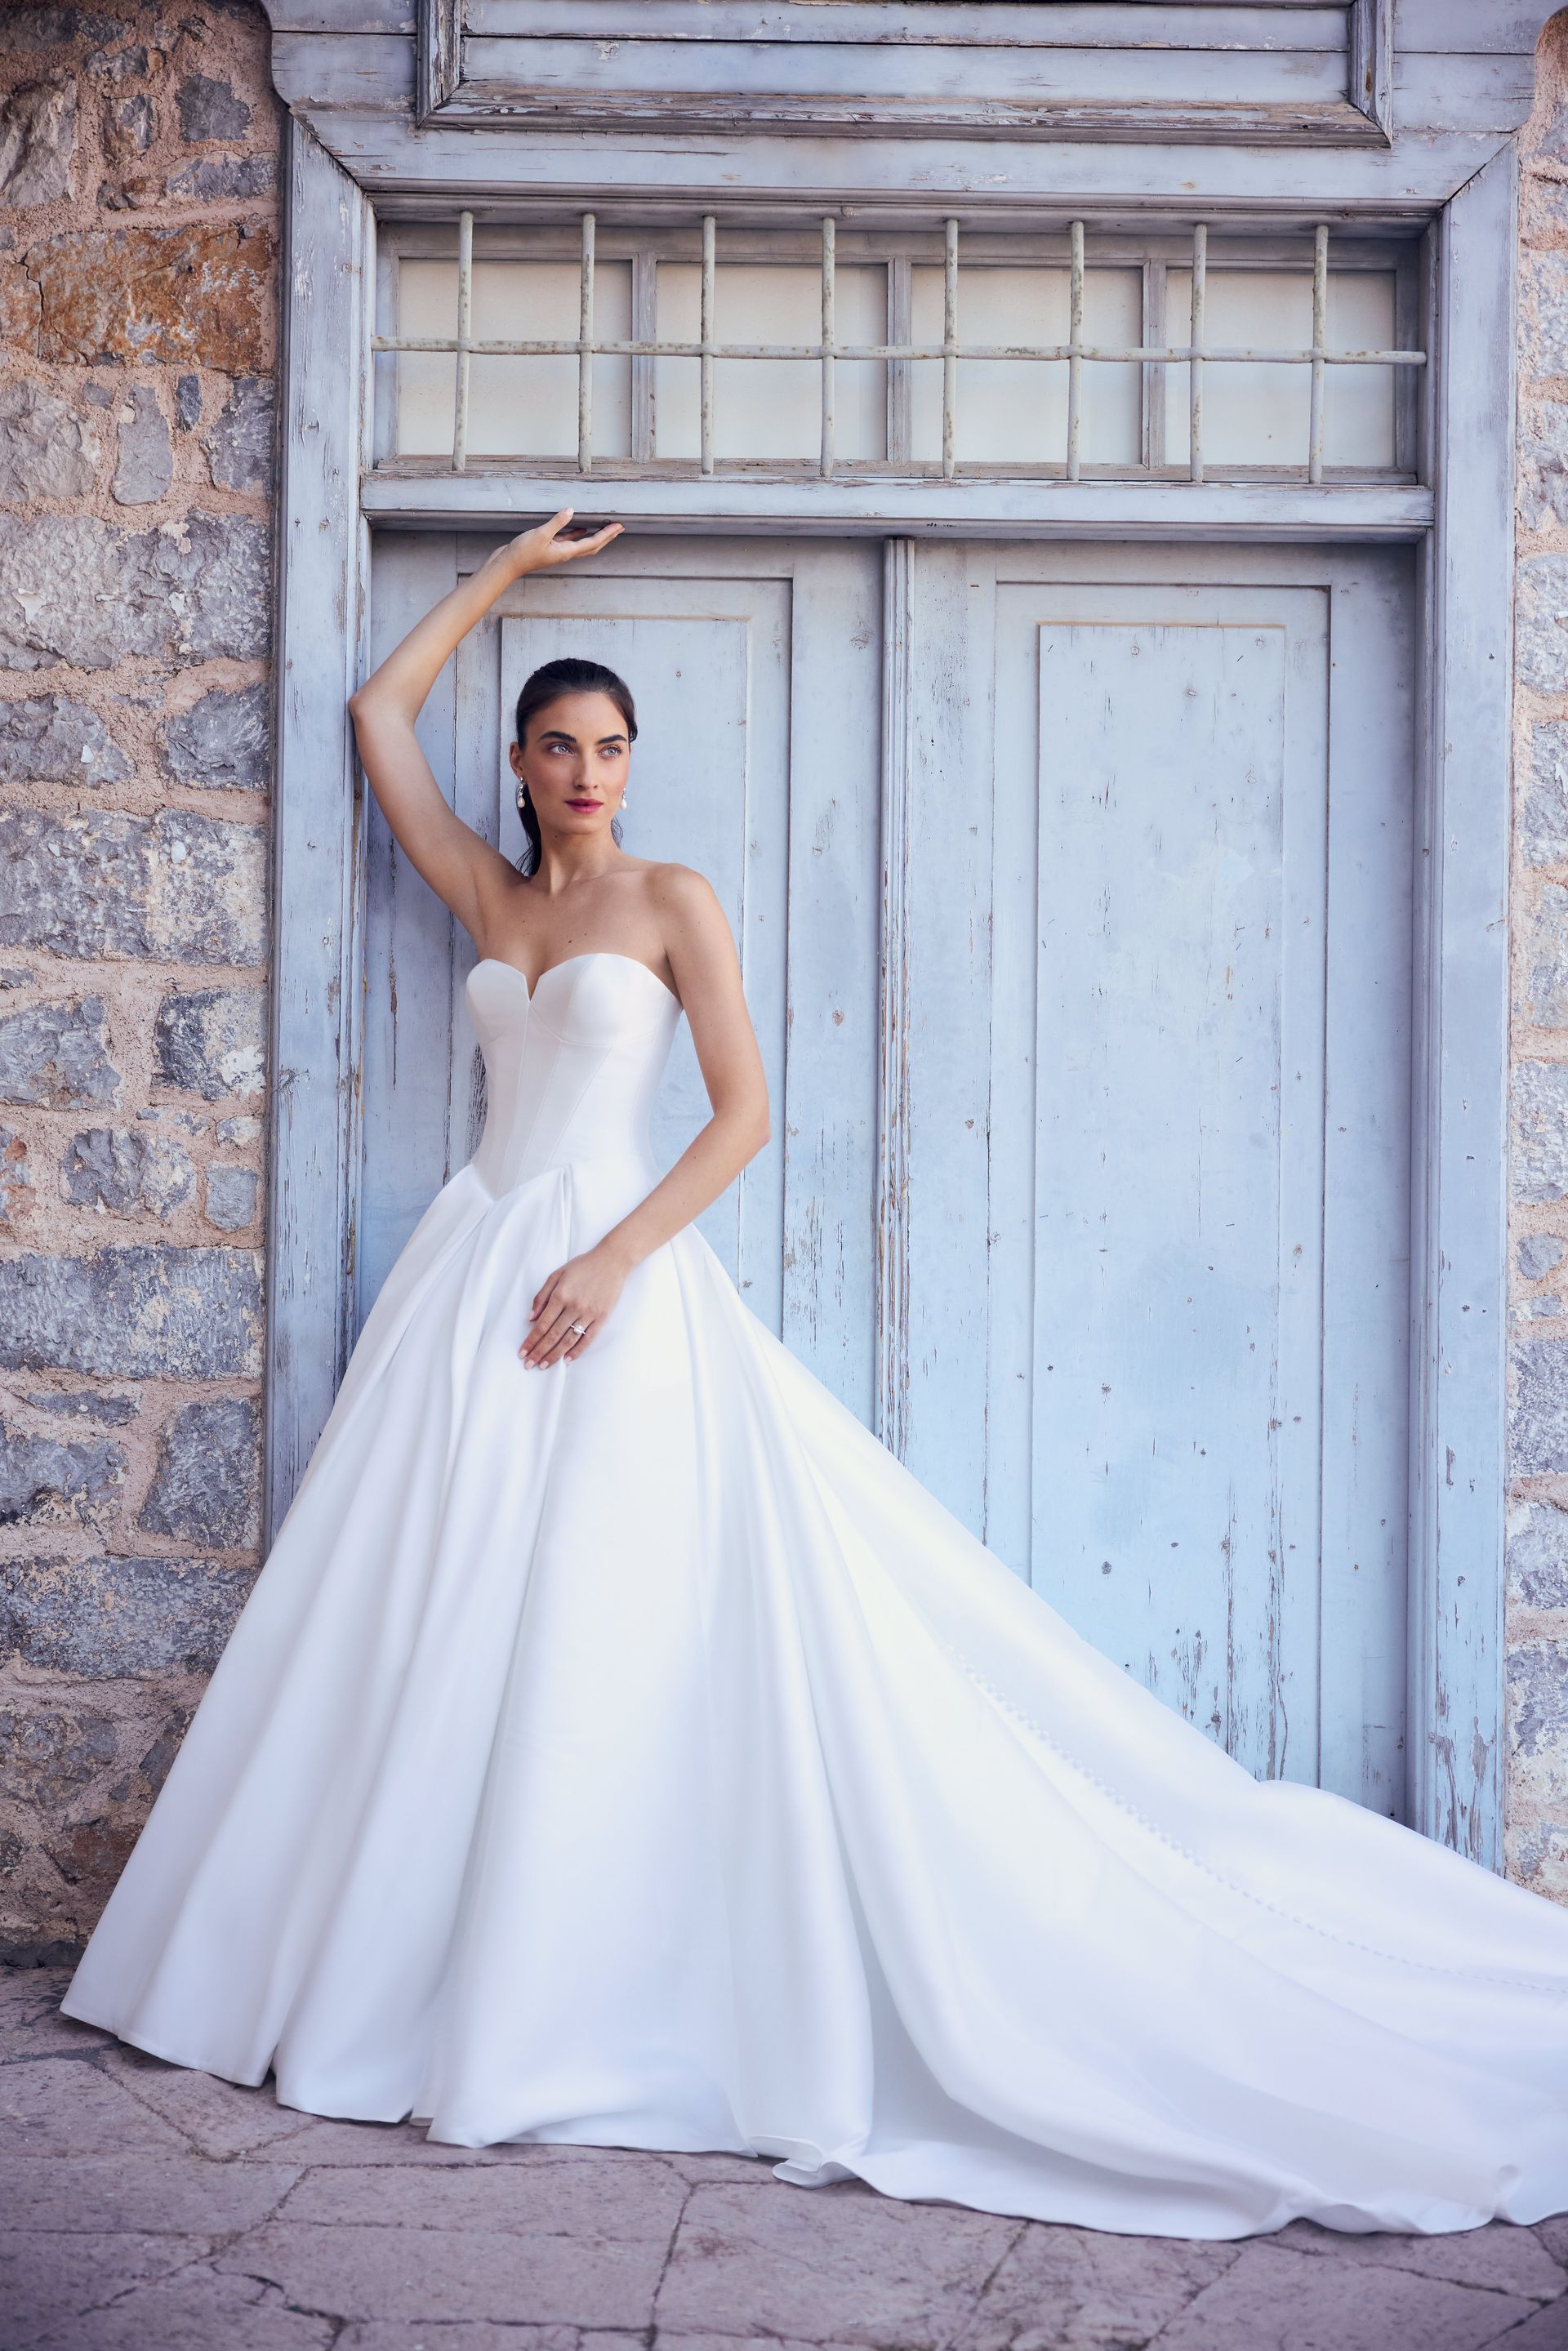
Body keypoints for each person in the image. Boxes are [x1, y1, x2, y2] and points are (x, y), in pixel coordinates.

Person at [60, 510, 1568, 2243]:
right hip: (473, 1275)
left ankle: (581, 1993)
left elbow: (746, 1115)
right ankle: (394, 1967)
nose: (587, 773)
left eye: (612, 747)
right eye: (560, 745)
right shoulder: (487, 890)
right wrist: (499, 580)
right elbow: (376, 719)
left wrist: (620, 1258)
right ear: (524, 761)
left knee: (609, 1626)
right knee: (427, 1611)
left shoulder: (671, 897)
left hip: (609, 1283)